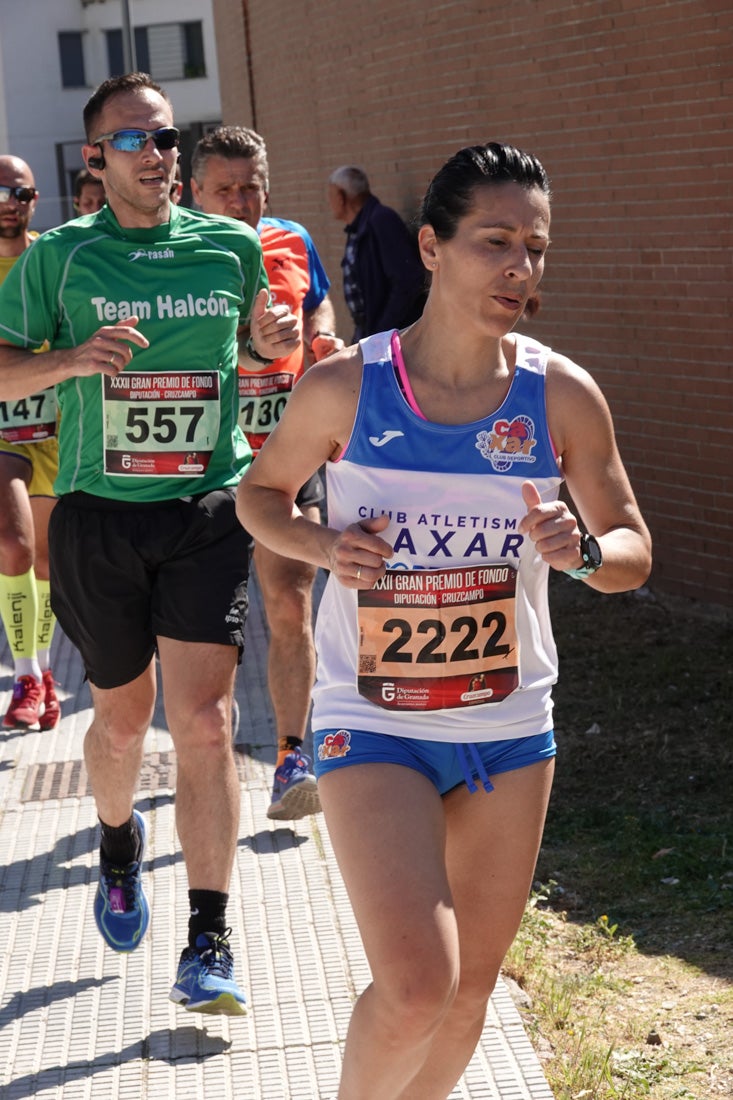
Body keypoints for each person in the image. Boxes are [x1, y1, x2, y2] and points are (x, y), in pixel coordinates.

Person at [238, 142, 652, 1097]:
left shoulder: (559, 395)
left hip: (507, 727)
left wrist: (583, 554)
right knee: (418, 985)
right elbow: (263, 496)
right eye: (495, 242)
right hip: (374, 716)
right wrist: (319, 545)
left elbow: (630, 547)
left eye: (537, 249)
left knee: (469, 993)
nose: (520, 268)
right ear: (429, 246)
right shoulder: (348, 385)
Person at [0, 72, 299, 1016]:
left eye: (168, 138)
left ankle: (208, 937)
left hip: (206, 509)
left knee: (205, 722)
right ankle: (118, 839)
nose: (158, 154)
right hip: (97, 514)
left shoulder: (230, 246)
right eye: (134, 140)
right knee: (124, 721)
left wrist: (264, 343)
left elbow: (252, 357)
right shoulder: (60, 258)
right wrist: (68, 361)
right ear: (95, 158)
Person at [191, 125, 343, 820]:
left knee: (289, 599)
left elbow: (318, 297)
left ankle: (291, 756)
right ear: (193, 193)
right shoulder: (178, 257)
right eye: (224, 189)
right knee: (202, 626)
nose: (240, 200)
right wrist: (247, 350)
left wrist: (321, 335)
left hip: (288, 449)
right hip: (210, 459)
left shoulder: (292, 237)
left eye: (250, 186)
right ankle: (202, 751)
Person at [0, 155, 61, 731]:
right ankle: (24, 675)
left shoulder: (51, 258)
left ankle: (41, 675)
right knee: (12, 546)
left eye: (19, 191)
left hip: (56, 432)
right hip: (2, 436)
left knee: (43, 560)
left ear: (33, 201)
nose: (7, 201)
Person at [328, 165, 426, 342]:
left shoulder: (381, 221)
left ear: (342, 197)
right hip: (370, 332)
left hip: (391, 338)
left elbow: (408, 279)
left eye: (331, 195)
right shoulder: (358, 228)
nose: (329, 202)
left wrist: (382, 331)